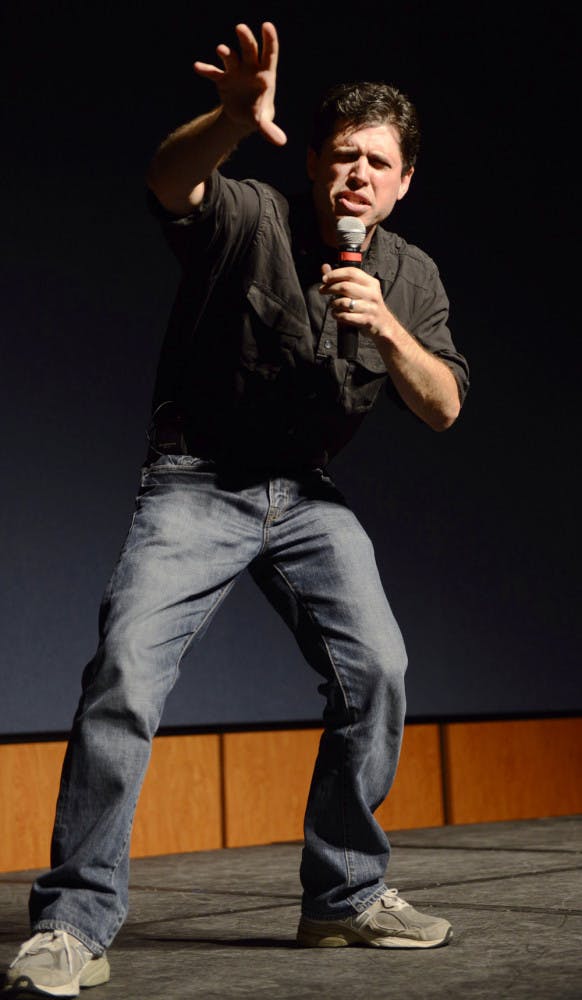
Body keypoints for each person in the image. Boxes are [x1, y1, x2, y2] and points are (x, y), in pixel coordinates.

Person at [3, 20, 469, 997]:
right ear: (312, 161)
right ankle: (73, 923)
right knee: (124, 671)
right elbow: (173, 185)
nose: (358, 174)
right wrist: (225, 118)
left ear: (403, 182)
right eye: (342, 154)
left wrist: (383, 325)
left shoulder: (410, 278)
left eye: (378, 162)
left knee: (378, 666)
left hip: (305, 495)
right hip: (198, 479)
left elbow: (444, 406)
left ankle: (342, 896)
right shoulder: (254, 215)